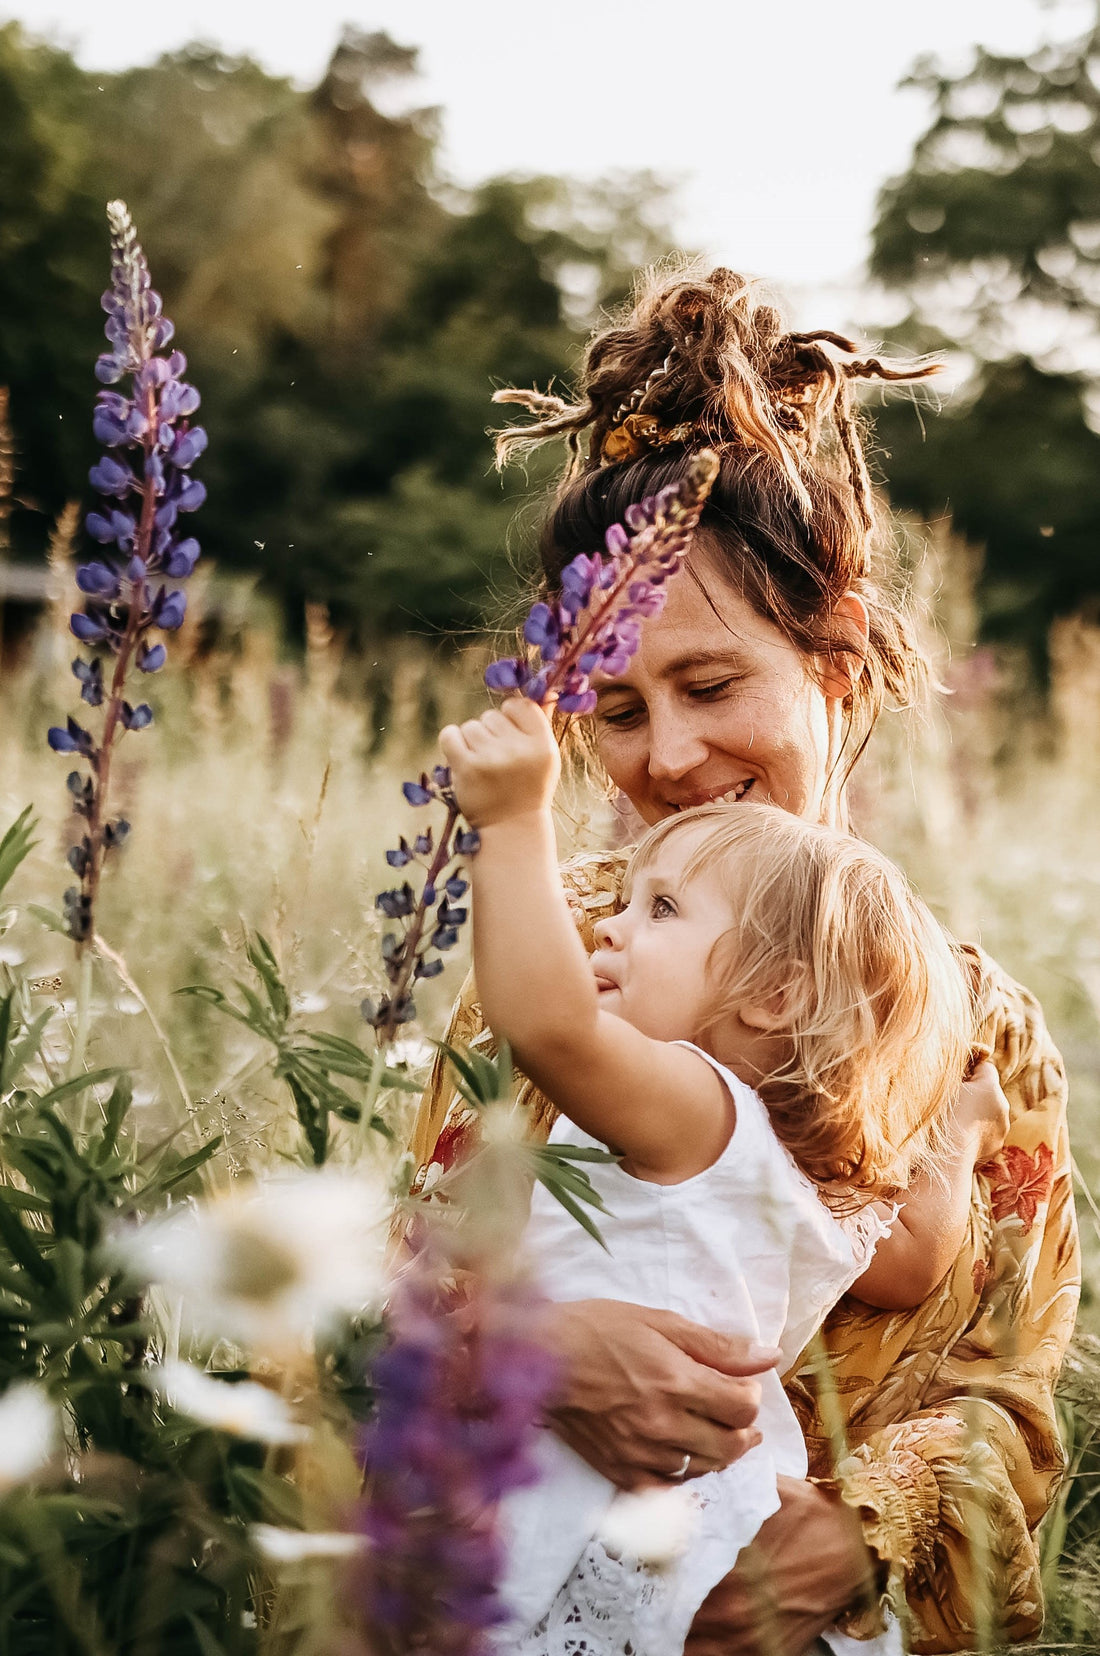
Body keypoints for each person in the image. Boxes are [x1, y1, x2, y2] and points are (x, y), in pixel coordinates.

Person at [410, 267, 1080, 1653]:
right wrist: (522, 1356)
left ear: (835, 670)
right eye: (615, 706)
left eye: (713, 686)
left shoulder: (981, 1032)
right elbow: (396, 1285)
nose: (667, 757)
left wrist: (864, 1529)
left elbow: (1012, 1393)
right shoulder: (562, 962)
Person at [438, 690, 1006, 1656]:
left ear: (777, 994)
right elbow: (914, 1261)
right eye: (622, 903)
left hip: (600, 1508)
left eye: (658, 909)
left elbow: (548, 1026)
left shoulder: (693, 1108)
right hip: (716, 1516)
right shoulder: (797, 1170)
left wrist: (509, 817)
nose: (608, 930)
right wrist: (957, 1130)